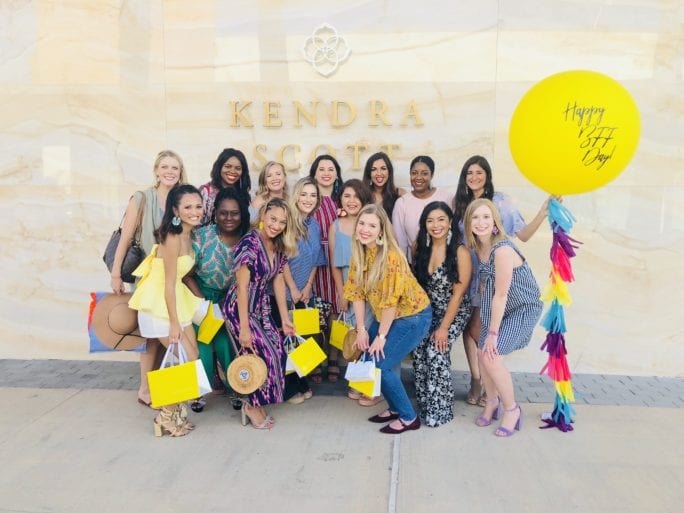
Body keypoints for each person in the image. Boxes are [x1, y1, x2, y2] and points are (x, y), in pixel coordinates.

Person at [453, 155, 551, 407]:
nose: (473, 177)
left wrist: (543, 211)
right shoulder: (461, 203)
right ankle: (477, 380)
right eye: (469, 173)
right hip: (471, 275)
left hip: (495, 276)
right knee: (470, 328)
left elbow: (525, 234)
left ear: (487, 174)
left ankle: (491, 387)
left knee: (485, 332)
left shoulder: (502, 202)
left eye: (478, 172)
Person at [344, 204, 432, 434]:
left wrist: (381, 336)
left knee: (380, 364)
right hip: (388, 316)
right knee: (374, 359)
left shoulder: (391, 258)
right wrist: (362, 329)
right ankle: (394, 408)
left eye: (372, 225)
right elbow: (357, 295)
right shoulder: (360, 253)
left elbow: (390, 303)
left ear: (381, 231)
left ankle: (408, 417)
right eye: (362, 223)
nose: (365, 229)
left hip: (412, 316)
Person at [109, 150, 187, 408]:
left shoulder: (182, 199)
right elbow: (126, 237)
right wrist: (116, 272)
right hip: (149, 276)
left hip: (173, 276)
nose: (169, 172)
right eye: (165, 166)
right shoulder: (142, 199)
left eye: (174, 168)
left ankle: (161, 386)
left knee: (164, 332)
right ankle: (145, 388)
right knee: (149, 335)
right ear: (156, 170)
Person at [128, 184, 204, 437]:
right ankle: (164, 417)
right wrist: (173, 323)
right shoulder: (172, 238)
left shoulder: (187, 234)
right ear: (175, 210)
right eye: (188, 207)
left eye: (198, 206)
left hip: (176, 302)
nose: (195, 211)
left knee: (190, 360)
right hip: (160, 304)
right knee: (184, 358)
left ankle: (176, 412)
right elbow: (169, 284)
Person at [464, 198, 543, 437]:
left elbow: (500, 294)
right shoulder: (480, 246)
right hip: (500, 307)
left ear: (496, 222)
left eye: (486, 217)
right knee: (481, 352)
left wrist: (493, 334)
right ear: (469, 223)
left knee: (492, 355)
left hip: (522, 308)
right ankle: (491, 402)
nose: (481, 222)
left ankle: (512, 409)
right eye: (475, 217)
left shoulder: (503, 249)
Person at [222, 198, 297, 429]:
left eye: (282, 222)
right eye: (273, 219)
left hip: (261, 306)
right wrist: (244, 328)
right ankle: (251, 405)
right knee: (259, 352)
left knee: (276, 349)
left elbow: (278, 281)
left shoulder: (278, 244)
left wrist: (285, 319)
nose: (276, 225)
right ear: (263, 215)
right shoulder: (250, 242)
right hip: (240, 307)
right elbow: (242, 286)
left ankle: (257, 401)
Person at [183, 187, 251, 412]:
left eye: (234, 213)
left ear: (242, 214)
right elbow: (186, 273)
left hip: (230, 302)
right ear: (215, 213)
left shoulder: (247, 239)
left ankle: (236, 388)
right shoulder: (202, 236)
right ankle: (198, 393)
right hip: (200, 298)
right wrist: (203, 302)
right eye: (223, 213)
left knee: (225, 344)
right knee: (202, 345)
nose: (229, 218)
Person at [412, 202, 472, 426]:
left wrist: (444, 328)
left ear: (449, 223)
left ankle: (441, 410)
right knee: (419, 347)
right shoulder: (420, 247)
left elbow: (458, 294)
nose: (436, 225)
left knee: (436, 349)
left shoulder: (460, 252)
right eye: (430, 220)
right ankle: (425, 404)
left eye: (441, 219)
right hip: (429, 310)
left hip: (454, 310)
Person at [328, 179, 377, 405]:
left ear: (364, 198)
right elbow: (334, 265)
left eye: (356, 196)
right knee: (355, 338)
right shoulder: (335, 226)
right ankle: (357, 382)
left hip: (372, 290)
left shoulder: (371, 223)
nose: (351, 201)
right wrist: (341, 293)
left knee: (370, 336)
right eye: (347, 196)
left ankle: (370, 387)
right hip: (350, 291)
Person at [279, 177, 327, 404]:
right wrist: (293, 288)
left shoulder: (315, 225)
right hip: (286, 292)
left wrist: (307, 286)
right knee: (286, 340)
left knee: (303, 339)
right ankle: (290, 389)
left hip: (305, 292)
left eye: (313, 195)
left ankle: (302, 381)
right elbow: (282, 260)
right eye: (304, 194)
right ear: (296, 195)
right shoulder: (287, 222)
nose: (308, 199)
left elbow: (317, 258)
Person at [308, 154, 344, 383]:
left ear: (337, 173)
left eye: (331, 169)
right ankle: (314, 361)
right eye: (322, 169)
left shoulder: (342, 199)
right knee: (313, 315)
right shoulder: (309, 199)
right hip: (314, 262)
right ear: (314, 173)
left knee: (335, 314)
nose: (326, 173)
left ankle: (333, 358)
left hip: (337, 260)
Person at [391, 156, 453, 262]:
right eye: (414, 173)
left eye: (424, 173)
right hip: (414, 265)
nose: (418, 177)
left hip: (445, 262)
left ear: (432, 175)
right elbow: (400, 242)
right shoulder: (402, 203)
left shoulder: (446, 197)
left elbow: (454, 231)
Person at [199, 148, 251, 225]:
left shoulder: (242, 192)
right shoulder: (206, 191)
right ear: (219, 167)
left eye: (238, 168)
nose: (233, 171)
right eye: (228, 166)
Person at [362, 152, 406, 219]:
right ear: (369, 173)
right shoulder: (362, 194)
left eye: (383, 168)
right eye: (374, 169)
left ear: (389, 171)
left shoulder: (400, 194)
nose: (379, 173)